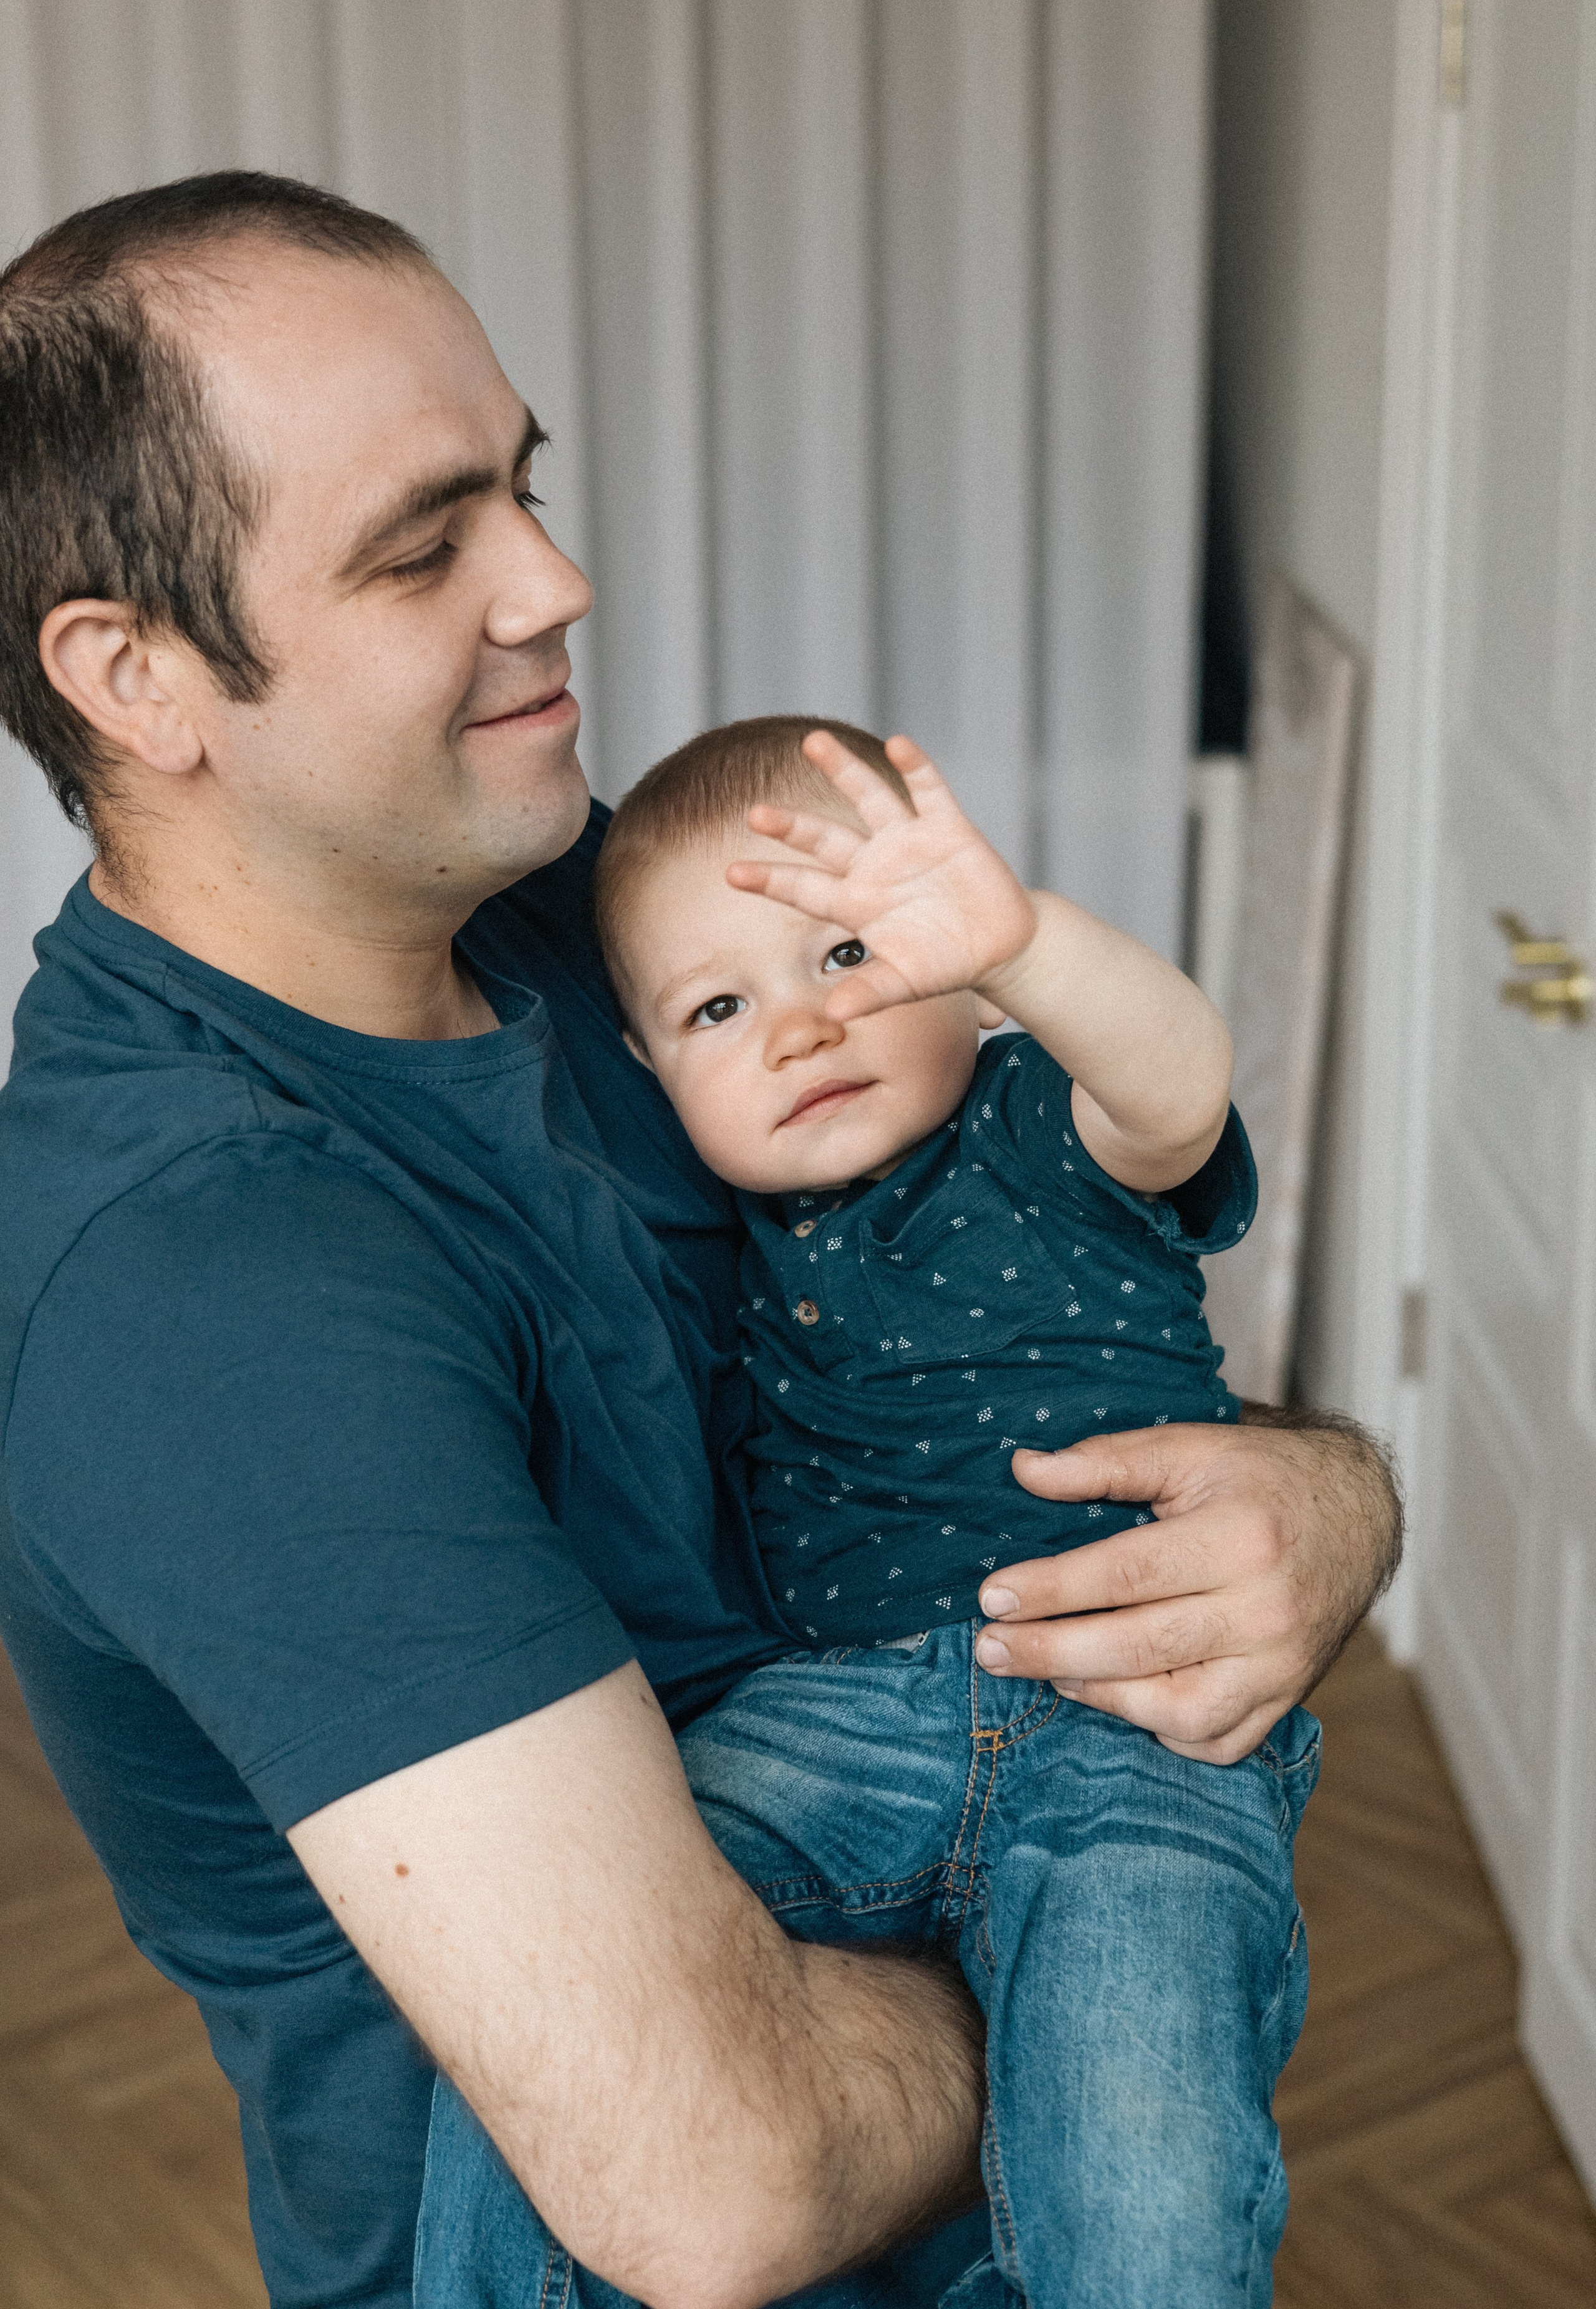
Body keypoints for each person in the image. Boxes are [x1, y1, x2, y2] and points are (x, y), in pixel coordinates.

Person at [0, 171, 1401, 2309]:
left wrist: (1325, 1496)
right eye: (426, 545)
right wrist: (1128, 2024)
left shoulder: (595, 925)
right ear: (138, 675)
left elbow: (1043, 1255)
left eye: (525, 485)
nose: (556, 581)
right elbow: (714, 2181)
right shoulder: (195, 1282)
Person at [425, 712, 1305, 2307]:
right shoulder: (716, 1227)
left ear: (957, 971)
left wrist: (1025, 948)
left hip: (1131, 1721)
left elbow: (1177, 1082)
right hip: (831, 1713)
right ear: (650, 1068)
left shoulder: (1041, 1121)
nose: (799, 1026)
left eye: (848, 952)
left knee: (1145, 2146)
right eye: (718, 1006)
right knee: (573, 2001)